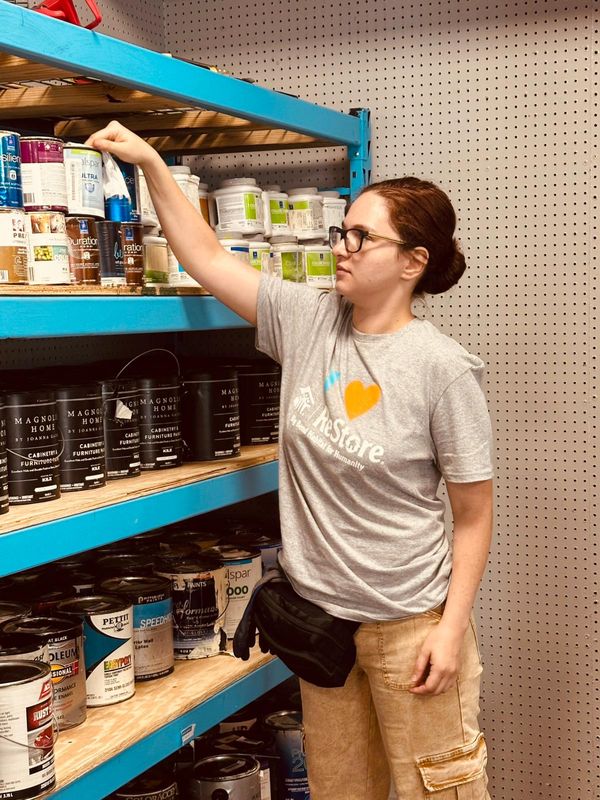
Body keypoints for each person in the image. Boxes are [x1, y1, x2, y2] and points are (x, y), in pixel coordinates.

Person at [87, 121, 494, 800]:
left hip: (410, 628)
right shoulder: (306, 320)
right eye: (342, 231)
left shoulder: (442, 371)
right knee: (340, 792)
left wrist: (450, 631)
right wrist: (153, 163)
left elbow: (474, 516)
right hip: (320, 625)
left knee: (439, 792)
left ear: (412, 261)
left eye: (362, 238)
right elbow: (206, 255)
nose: (343, 247)